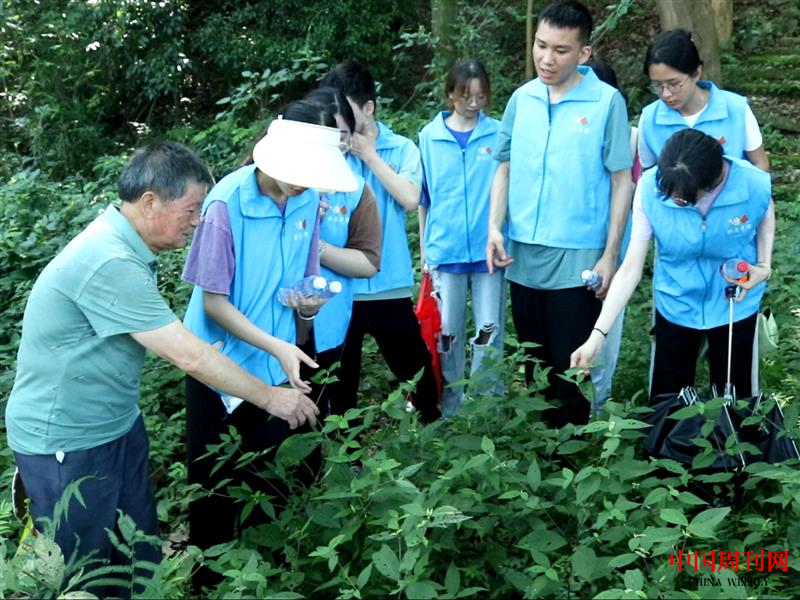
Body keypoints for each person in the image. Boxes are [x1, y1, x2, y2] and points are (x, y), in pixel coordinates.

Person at [4, 142, 319, 592]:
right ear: (150, 201)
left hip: (117, 427)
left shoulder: (128, 248)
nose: (196, 223)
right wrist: (271, 398)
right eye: (191, 211)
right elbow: (186, 353)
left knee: (138, 557)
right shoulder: (109, 259)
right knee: (85, 575)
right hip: (66, 442)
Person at [180, 104, 356, 589]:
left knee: (272, 478)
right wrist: (277, 345)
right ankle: (207, 582)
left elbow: (300, 282)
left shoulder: (306, 202)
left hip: (276, 362)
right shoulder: (226, 204)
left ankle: (267, 579)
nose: (305, 184)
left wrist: (306, 309)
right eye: (300, 174)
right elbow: (214, 302)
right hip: (216, 363)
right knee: (212, 483)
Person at [486, 0, 633, 427]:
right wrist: (494, 227)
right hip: (522, 256)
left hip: (578, 259)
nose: (547, 59)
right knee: (534, 362)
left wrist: (610, 254)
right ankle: (542, 458)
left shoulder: (607, 102)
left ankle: (570, 456)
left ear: (584, 53)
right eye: (540, 45)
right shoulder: (522, 99)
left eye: (561, 50)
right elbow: (505, 167)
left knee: (571, 365)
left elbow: (621, 181)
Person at [571, 129, 775, 400]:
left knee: (735, 400)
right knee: (670, 403)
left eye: (684, 198)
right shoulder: (649, 188)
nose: (675, 201)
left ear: (713, 182)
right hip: (676, 299)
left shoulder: (753, 183)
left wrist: (764, 265)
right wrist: (598, 335)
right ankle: (672, 442)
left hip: (734, 301)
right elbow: (631, 267)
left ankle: (733, 440)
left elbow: (764, 215)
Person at [319, 60, 441, 422]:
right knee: (341, 381)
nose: (338, 117)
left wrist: (369, 156)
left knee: (416, 370)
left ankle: (432, 433)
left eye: (347, 109)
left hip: (389, 284)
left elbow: (409, 198)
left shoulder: (401, 148)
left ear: (368, 108)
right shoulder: (327, 148)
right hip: (339, 287)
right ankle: (347, 458)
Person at [417, 58, 504, 417]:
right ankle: (450, 402)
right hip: (445, 250)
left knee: (489, 329)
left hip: (487, 252)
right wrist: (424, 248)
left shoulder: (497, 133)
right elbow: (424, 198)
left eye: (480, 96)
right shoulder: (428, 136)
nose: (473, 103)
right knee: (447, 334)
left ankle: (487, 405)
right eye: (466, 96)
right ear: (450, 94)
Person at [303, 86, 383, 416]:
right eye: (328, 135)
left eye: (344, 135)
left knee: (326, 412)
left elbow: (367, 262)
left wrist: (316, 248)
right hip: (270, 325)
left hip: (328, 324)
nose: (337, 144)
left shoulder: (353, 189)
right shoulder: (276, 181)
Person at [585, 58, 641, 407]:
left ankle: (600, 401)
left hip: (617, 240)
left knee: (609, 320)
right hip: (576, 238)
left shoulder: (632, 137)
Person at [638, 29, 769, 172]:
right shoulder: (650, 119)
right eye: (657, 85)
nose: (666, 94)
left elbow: (760, 165)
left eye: (674, 84)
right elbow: (648, 175)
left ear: (696, 73)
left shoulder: (735, 109)